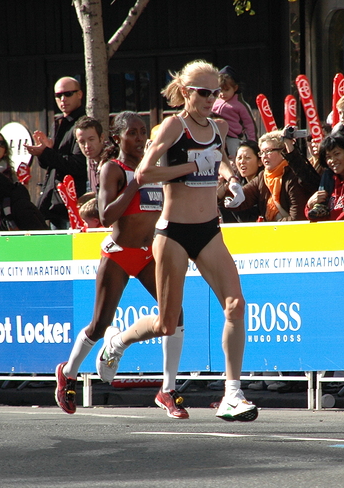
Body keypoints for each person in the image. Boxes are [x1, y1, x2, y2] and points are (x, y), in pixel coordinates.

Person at [96, 60, 258, 422]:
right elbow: (144, 173)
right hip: (173, 234)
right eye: (203, 92)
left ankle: (232, 394)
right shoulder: (173, 126)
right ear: (185, 92)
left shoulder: (219, 126)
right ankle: (118, 341)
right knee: (167, 324)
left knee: (236, 305)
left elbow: (220, 159)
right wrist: (188, 168)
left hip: (209, 230)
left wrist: (231, 179)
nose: (211, 99)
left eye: (216, 92)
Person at [55, 111, 187, 417]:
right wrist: (135, 182)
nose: (140, 138)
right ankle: (68, 372)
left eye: (143, 132)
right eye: (132, 133)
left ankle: (167, 390)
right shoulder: (113, 169)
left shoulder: (155, 167)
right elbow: (106, 216)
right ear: (117, 138)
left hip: (148, 254)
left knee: (175, 314)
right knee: (99, 325)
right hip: (118, 254)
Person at [26, 76, 88, 228]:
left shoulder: (83, 124)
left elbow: (78, 164)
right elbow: (50, 165)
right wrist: (43, 152)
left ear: (79, 94)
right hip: (55, 202)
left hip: (75, 203)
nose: (63, 99)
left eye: (68, 94)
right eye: (58, 96)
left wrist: (46, 152)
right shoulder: (59, 123)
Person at [228, 131, 319, 222]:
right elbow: (242, 199)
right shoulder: (262, 177)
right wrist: (224, 191)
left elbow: (297, 219)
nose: (264, 156)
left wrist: (269, 225)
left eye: (268, 151)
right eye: (262, 152)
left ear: (282, 152)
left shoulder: (293, 176)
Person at [306, 132, 344, 221]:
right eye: (328, 157)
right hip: (331, 229)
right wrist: (309, 205)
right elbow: (314, 218)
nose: (332, 160)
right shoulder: (328, 178)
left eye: (337, 154)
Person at [213, 65, 256, 159]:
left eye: (226, 90)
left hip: (232, 137)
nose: (222, 94)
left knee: (234, 155)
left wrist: (252, 142)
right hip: (215, 135)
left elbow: (249, 123)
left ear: (235, 88)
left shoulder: (240, 105)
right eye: (220, 90)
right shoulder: (214, 102)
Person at [218, 140, 262, 222]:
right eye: (239, 158)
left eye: (247, 158)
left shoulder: (263, 184)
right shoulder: (234, 184)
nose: (242, 162)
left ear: (260, 161)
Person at [73, 116, 105, 204]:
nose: (87, 146)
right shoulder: (90, 159)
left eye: (91, 139)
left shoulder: (112, 159)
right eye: (82, 142)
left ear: (101, 138)